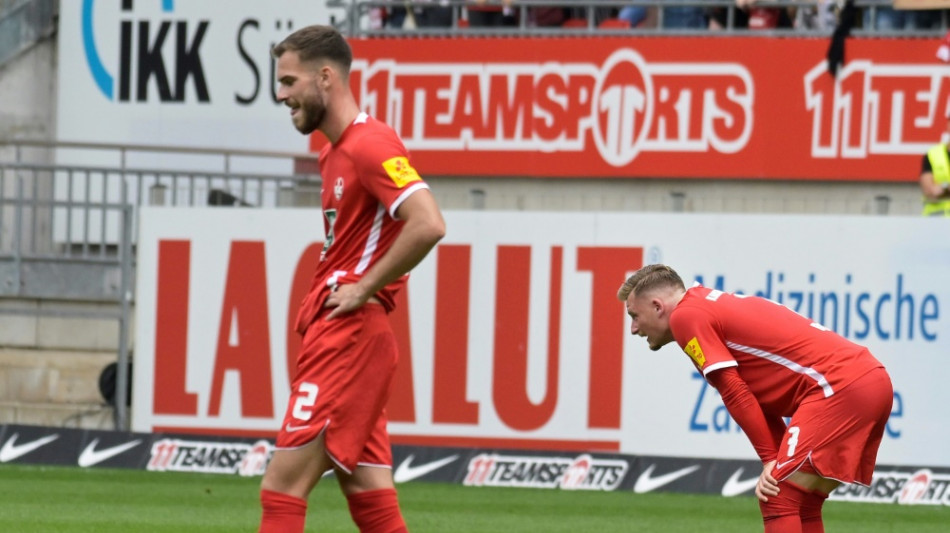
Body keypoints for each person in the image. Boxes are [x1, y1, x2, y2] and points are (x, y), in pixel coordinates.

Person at [261, 25, 446, 533]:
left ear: (325, 77)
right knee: (367, 492)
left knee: (281, 488)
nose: (280, 94)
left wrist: (364, 287)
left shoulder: (371, 144)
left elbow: (428, 222)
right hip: (341, 331)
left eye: (288, 81)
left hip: (350, 335)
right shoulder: (332, 153)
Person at [617, 264, 893, 533]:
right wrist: (773, 456)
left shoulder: (685, 317)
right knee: (802, 500)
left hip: (839, 386)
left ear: (657, 306)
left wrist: (770, 460)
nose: (633, 328)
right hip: (869, 379)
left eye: (634, 315)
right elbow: (755, 396)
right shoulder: (703, 304)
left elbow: (734, 391)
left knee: (777, 496)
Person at [920, 114, 950, 216]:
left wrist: (942, 188)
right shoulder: (933, 154)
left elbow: (937, 191)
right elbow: (930, 192)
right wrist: (946, 187)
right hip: (935, 224)